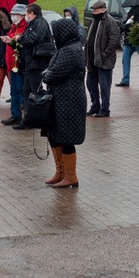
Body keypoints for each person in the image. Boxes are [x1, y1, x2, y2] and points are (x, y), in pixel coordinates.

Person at [42, 19, 86, 188]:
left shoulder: (71, 50)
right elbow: (51, 71)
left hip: (70, 100)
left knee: (67, 137)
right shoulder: (64, 48)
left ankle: (71, 176)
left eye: (56, 32)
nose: (54, 36)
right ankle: (60, 172)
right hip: (59, 98)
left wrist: (46, 74)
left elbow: (54, 73)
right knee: (54, 135)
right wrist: (48, 73)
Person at [14, 3, 53, 129]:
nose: (25, 16)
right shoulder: (33, 24)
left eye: (26, 13)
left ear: (32, 13)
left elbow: (33, 38)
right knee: (27, 92)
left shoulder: (40, 23)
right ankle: (28, 120)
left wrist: (20, 38)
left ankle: (40, 118)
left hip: (37, 63)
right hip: (30, 63)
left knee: (36, 92)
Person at [84, 0, 119, 118]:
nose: (94, 12)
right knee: (90, 84)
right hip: (91, 60)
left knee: (104, 86)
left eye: (96, 10)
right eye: (93, 10)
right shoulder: (93, 21)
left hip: (104, 61)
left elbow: (113, 41)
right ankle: (95, 106)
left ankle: (105, 109)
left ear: (103, 9)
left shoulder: (110, 21)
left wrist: (104, 55)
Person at [0, 3, 28, 126]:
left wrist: (12, 40)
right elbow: (13, 44)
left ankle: (24, 117)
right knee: (14, 91)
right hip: (12, 64)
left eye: (15, 14)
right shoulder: (13, 27)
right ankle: (15, 114)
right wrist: (9, 40)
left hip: (20, 64)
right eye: (12, 14)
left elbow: (22, 45)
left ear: (22, 15)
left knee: (21, 90)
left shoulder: (25, 28)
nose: (13, 16)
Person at [116, 5, 139, 88]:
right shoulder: (132, 9)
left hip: (137, 40)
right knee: (125, 59)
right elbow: (128, 20)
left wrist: (127, 25)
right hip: (129, 40)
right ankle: (125, 80)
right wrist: (124, 24)